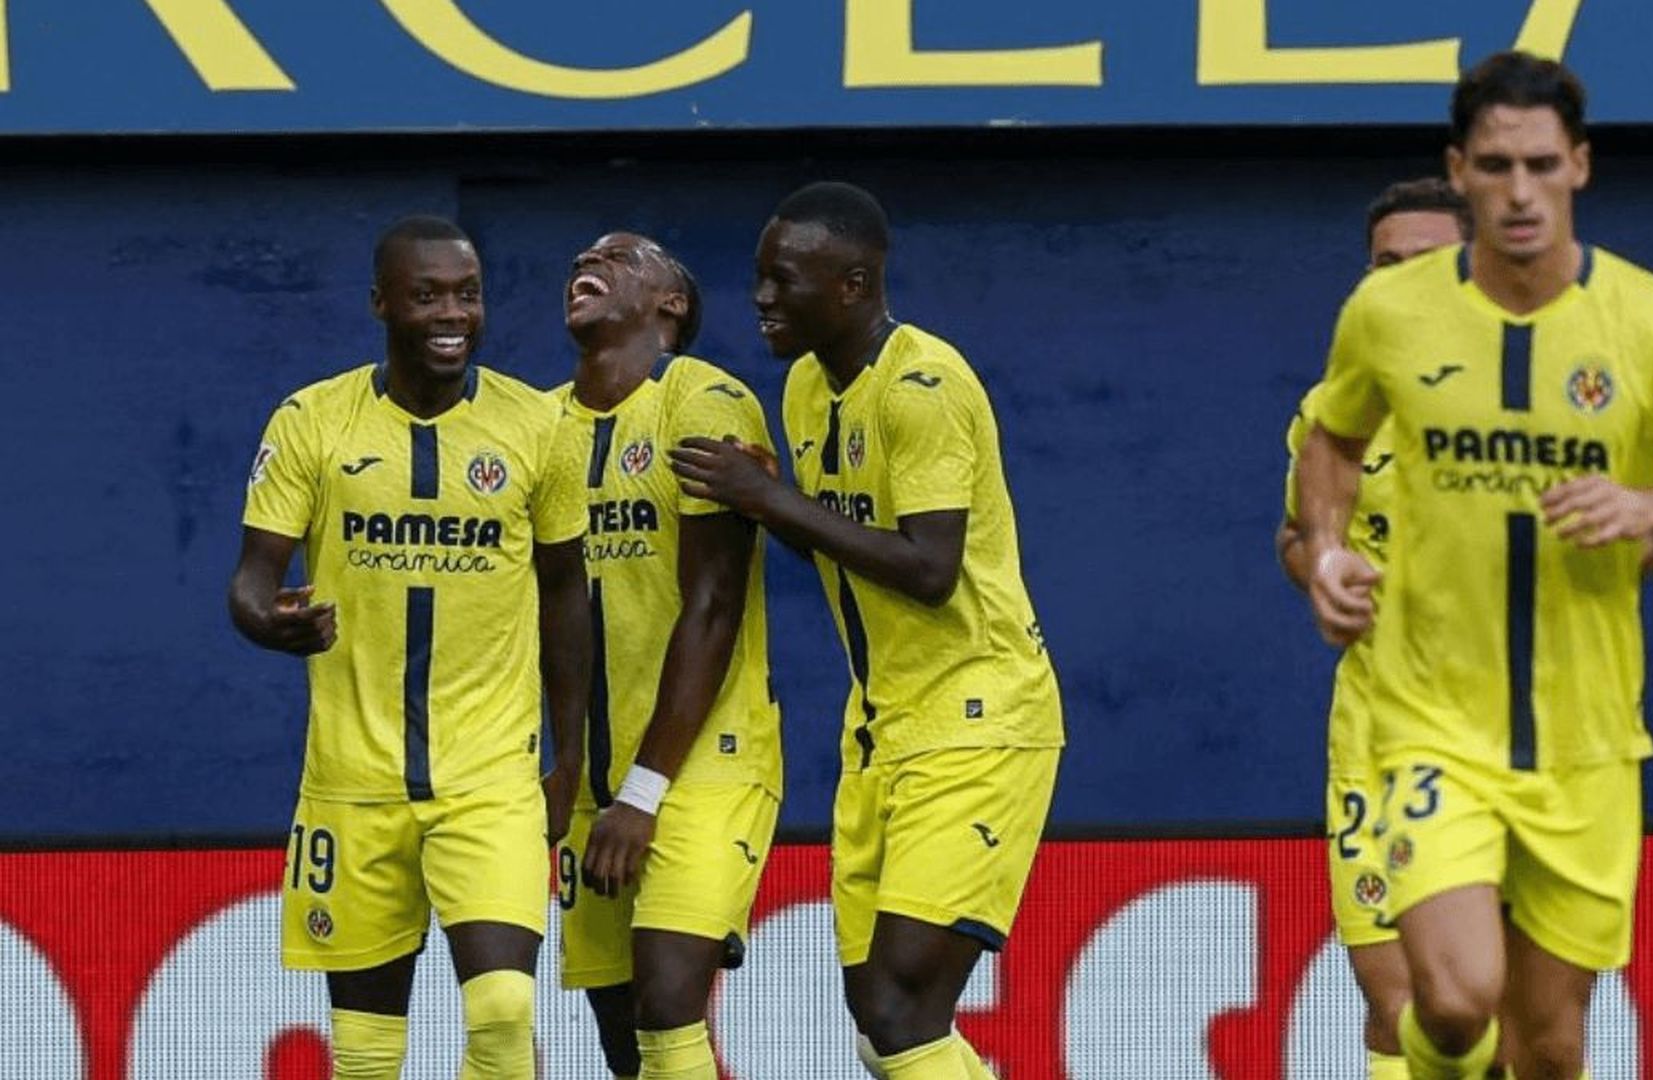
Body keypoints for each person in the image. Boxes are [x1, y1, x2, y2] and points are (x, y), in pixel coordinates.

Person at [1295, 53, 1653, 1080]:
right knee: (1455, 998)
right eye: (1495, 165)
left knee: (1552, 1048)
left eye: (1540, 165)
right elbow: (1331, 439)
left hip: (1588, 741)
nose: (1520, 192)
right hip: (1432, 724)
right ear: (1459, 170)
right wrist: (1329, 549)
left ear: (1581, 167)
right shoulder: (1390, 314)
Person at [669, 181, 1064, 1080]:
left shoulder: (923, 387)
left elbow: (929, 569)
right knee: (878, 1017)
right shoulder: (808, 388)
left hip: (977, 715)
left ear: (852, 286)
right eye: (760, 277)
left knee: (900, 1011)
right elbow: (844, 553)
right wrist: (774, 509)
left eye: (784, 279)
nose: (762, 298)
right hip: (883, 725)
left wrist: (770, 500)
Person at [229, 215, 591, 1079]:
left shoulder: (535, 428)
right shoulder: (313, 421)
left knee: (503, 1013)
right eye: (427, 295)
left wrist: (568, 758)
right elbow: (249, 581)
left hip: (491, 777)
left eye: (467, 294)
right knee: (364, 1052)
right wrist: (268, 623)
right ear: (381, 303)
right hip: (353, 780)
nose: (451, 314)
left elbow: (568, 594)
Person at [549, 232, 782, 1080]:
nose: (591, 257)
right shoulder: (542, 428)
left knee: (667, 998)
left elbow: (714, 605)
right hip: (591, 783)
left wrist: (642, 794)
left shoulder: (705, 401)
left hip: (699, 767)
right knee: (620, 1040)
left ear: (669, 303)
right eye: (584, 252)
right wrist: (567, 763)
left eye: (619, 255)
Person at [1277, 176, 1470, 1080]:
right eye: (1387, 266)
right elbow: (1297, 535)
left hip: (1506, 740)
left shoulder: (1539, 404)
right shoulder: (1331, 415)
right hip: (1375, 735)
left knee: (1501, 1013)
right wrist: (1322, 569)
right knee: (1398, 1014)